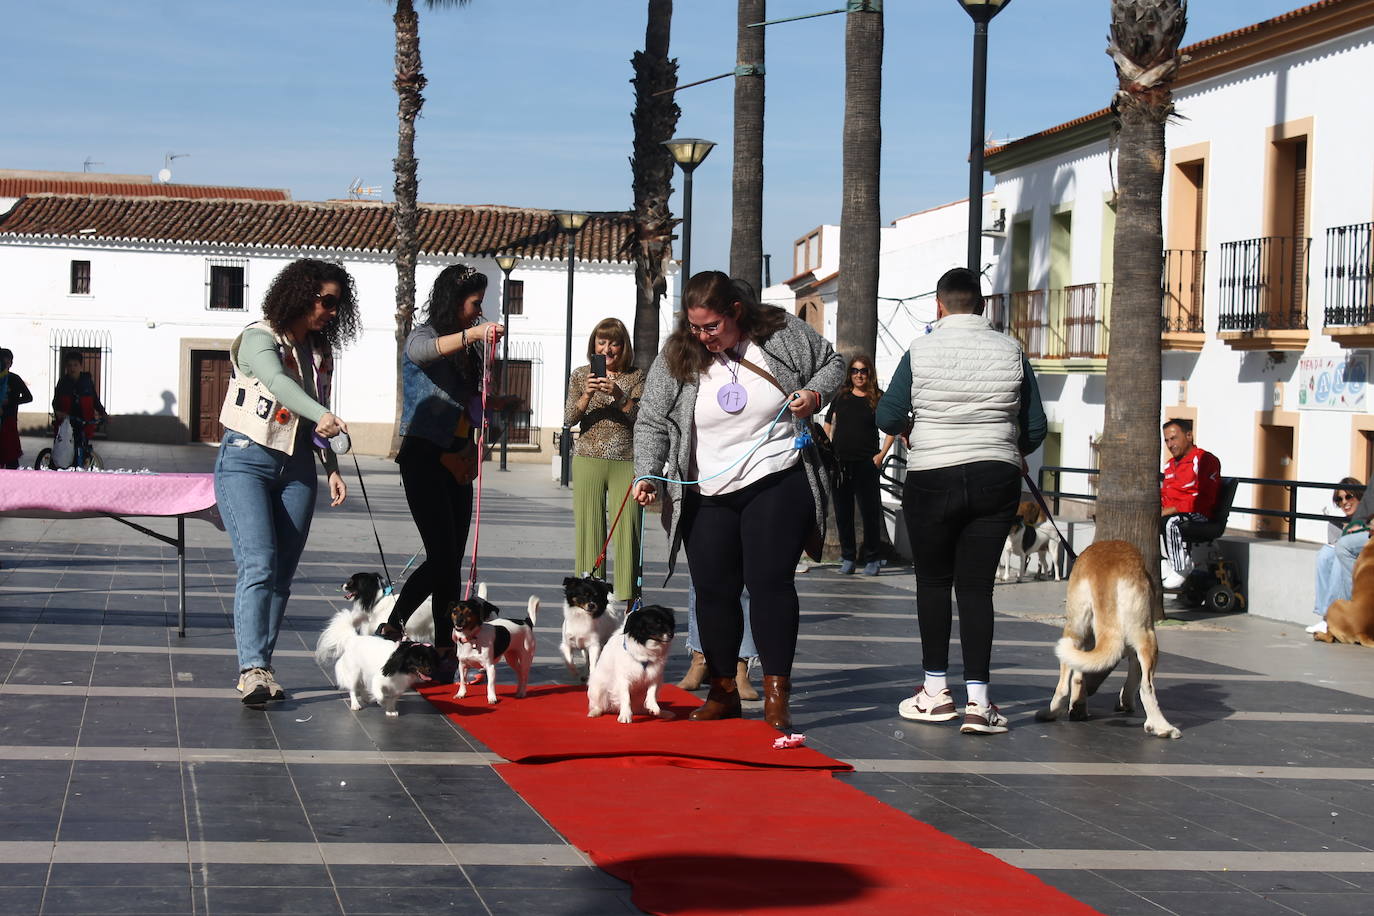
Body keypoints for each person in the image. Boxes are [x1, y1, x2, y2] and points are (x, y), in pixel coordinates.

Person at [633, 271, 843, 731]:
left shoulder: (782, 333)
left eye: (712, 327)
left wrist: (813, 394)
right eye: (695, 327)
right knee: (712, 590)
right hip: (705, 488)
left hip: (776, 475)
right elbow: (651, 419)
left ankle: (775, 691)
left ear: (735, 312)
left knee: (769, 583)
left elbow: (833, 364)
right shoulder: (678, 356)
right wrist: (647, 473)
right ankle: (723, 688)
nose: (703, 336)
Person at [877, 267, 1046, 736]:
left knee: (933, 583)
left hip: (932, 474)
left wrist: (915, 428)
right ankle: (979, 703)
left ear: (938, 305)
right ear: (983, 305)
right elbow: (1034, 426)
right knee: (976, 589)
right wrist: (1007, 448)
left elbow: (888, 413)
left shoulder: (920, 349)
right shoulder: (1011, 349)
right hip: (996, 476)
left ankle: (934, 692)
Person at [214, 258, 358, 707]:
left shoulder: (314, 353)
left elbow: (313, 415)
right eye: (327, 301)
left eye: (339, 304)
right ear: (301, 295)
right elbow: (276, 383)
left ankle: (263, 668)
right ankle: (250, 669)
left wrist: (330, 466)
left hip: (297, 468)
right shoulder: (259, 338)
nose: (332, 312)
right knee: (258, 563)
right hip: (245, 461)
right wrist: (322, 414)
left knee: (281, 575)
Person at [378, 264, 504, 678]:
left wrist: (491, 415)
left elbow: (469, 399)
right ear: (454, 302)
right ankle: (396, 621)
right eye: (474, 304)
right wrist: (473, 335)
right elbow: (421, 354)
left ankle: (442, 649)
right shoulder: (423, 334)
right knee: (442, 556)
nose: (478, 313)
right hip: (423, 456)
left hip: (459, 458)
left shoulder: (467, 348)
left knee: (449, 560)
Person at [565, 318, 644, 611]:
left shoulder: (637, 376)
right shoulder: (580, 375)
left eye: (614, 342)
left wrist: (618, 394)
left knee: (629, 530)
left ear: (623, 346)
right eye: (602, 342)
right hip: (589, 458)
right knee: (589, 529)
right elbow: (568, 419)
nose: (607, 348)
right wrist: (587, 394)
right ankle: (590, 597)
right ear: (594, 345)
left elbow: (641, 416)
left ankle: (628, 600)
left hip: (626, 460)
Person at [824, 353, 896, 576]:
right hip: (841, 464)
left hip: (867, 463)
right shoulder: (841, 397)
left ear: (869, 373)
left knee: (870, 513)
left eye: (862, 371)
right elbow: (827, 424)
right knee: (843, 513)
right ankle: (848, 558)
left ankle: (873, 558)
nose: (858, 375)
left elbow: (892, 427)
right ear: (850, 374)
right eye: (854, 371)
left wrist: (881, 455)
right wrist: (827, 450)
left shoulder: (878, 398)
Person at [1160, 418, 1222, 589]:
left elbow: (1206, 497)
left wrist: (1174, 509)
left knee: (1171, 522)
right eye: (1166, 440)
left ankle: (1181, 568)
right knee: (1152, 519)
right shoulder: (1169, 466)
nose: (1170, 444)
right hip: (1175, 512)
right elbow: (1165, 495)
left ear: (1189, 436)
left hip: (1200, 513)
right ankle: (1165, 561)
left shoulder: (1205, 460)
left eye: (1174, 438)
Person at [1308, 477, 1371, 635]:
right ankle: (1324, 616)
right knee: (1324, 554)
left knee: (1338, 555)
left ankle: (1331, 618)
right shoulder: (1336, 523)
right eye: (1339, 499)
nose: (1344, 502)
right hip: (1348, 556)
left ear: (1360, 497)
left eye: (1349, 496)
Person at [52, 352, 107, 460]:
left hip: (84, 421)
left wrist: (103, 414)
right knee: (64, 451)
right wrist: (58, 412)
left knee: (83, 448)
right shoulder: (62, 382)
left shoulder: (87, 381)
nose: (72, 368)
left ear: (81, 366)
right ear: (66, 367)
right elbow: (55, 402)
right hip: (67, 421)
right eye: (69, 365)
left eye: (75, 365)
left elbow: (95, 400)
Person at [0, 349, 33, 469]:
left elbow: (29, 397)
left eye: (7, 362)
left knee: (11, 459)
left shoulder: (14, 379)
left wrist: (11, 402)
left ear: (11, 363)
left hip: (9, 420)